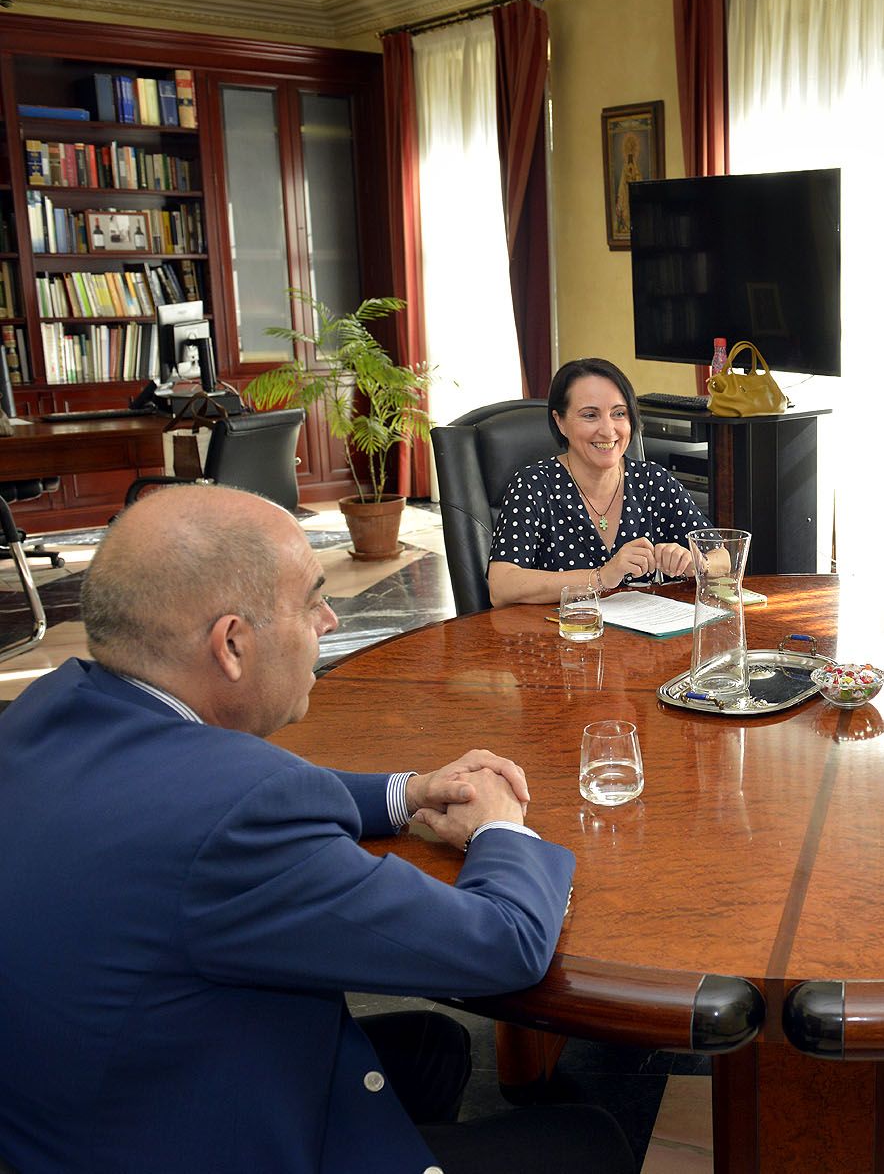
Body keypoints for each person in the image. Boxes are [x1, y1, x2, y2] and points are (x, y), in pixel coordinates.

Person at [0, 486, 634, 1174]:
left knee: (434, 1046)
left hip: (92, 1108)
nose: (331, 619)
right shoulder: (237, 814)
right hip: (205, 1140)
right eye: (311, 601)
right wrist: (502, 829)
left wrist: (409, 792)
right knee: (590, 1143)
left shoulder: (46, 707)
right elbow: (506, 944)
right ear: (233, 644)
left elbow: (242, 795)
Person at [487, 357, 709, 606]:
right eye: (590, 415)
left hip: (645, 639)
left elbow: (725, 555)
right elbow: (502, 586)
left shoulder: (654, 481)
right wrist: (602, 577)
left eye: (619, 414)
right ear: (560, 422)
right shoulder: (533, 485)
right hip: (564, 636)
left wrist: (694, 562)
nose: (608, 429)